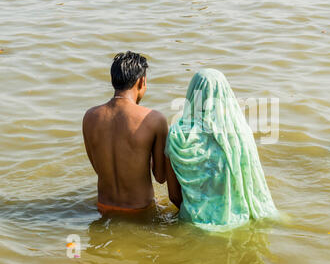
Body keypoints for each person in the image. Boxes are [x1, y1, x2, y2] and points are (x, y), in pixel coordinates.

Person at [165, 68, 278, 231]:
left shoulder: (178, 136)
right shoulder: (241, 134)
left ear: (191, 94)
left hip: (194, 225)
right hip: (239, 223)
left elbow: (174, 196)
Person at [82, 51, 182, 215]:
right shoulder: (154, 119)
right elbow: (161, 176)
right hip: (140, 211)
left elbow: (97, 167)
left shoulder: (90, 116)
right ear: (141, 81)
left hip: (103, 208)